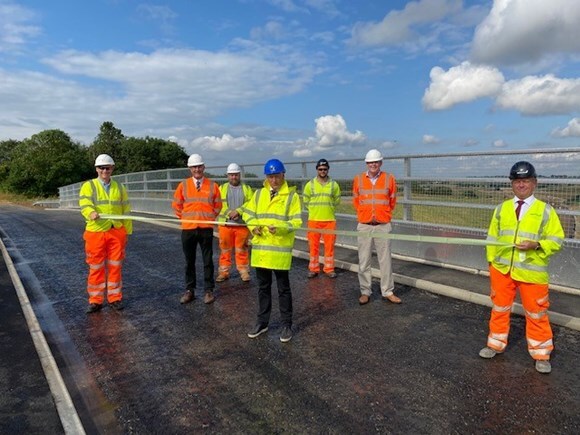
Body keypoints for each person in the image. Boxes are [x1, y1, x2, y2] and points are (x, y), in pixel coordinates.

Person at [479, 161, 564, 374]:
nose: (521, 185)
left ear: (534, 183)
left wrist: (537, 245)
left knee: (536, 313)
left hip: (531, 271)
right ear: (512, 184)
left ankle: (541, 353)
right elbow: (492, 237)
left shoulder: (545, 211)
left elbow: (556, 240)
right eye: (517, 181)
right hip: (502, 269)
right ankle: (495, 344)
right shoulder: (502, 209)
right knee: (499, 309)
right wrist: (492, 264)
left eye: (525, 181)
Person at [242, 158, 302, 342]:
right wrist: (253, 227)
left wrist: (281, 227)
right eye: (270, 177)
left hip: (279, 251)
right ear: (266, 177)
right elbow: (248, 213)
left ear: (283, 175)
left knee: (283, 289)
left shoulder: (292, 197)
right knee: (263, 288)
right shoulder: (259, 194)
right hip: (261, 251)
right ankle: (262, 322)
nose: (274, 180)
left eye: (277, 176)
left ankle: (286, 325)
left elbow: (296, 221)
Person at [79, 154, 132, 313]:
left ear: (112, 169)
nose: (104, 170)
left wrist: (126, 232)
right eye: (102, 168)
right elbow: (84, 204)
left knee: (115, 266)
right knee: (96, 267)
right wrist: (91, 213)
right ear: (96, 169)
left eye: (107, 168)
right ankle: (95, 300)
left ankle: (114, 298)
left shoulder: (120, 187)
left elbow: (126, 210)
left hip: (116, 231)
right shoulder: (89, 186)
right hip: (96, 232)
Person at [352, 149, 401, 305]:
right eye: (370, 162)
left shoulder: (389, 179)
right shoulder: (358, 179)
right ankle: (365, 291)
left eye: (376, 162)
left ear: (380, 163)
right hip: (365, 225)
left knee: (385, 260)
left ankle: (387, 291)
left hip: (382, 225)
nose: (373, 164)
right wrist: (365, 213)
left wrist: (383, 214)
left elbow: (392, 200)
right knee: (364, 260)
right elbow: (356, 200)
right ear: (367, 163)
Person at [173, 154, 222, 305]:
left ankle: (208, 290)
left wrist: (209, 218)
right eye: (194, 167)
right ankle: (190, 290)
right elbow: (176, 205)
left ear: (203, 167)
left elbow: (218, 205)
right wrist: (185, 219)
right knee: (189, 261)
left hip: (205, 228)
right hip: (188, 229)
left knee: (208, 261)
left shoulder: (213, 186)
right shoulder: (183, 185)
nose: (197, 169)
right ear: (190, 168)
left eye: (199, 166)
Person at [302, 158, 341, 278]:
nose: (322, 171)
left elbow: (337, 200)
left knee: (329, 247)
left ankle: (329, 269)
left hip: (329, 220)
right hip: (314, 220)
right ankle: (313, 268)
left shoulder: (334, 185)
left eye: (325, 169)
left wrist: (328, 209)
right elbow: (305, 201)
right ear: (317, 170)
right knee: (313, 246)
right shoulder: (310, 185)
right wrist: (315, 211)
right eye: (320, 169)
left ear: (328, 169)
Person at [216, 163, 254, 283]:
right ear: (228, 175)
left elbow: (251, 204)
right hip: (226, 224)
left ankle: (244, 272)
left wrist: (238, 211)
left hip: (241, 224)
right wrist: (229, 213)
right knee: (225, 250)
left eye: (236, 175)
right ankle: (223, 272)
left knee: (242, 249)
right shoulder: (221, 188)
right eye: (231, 175)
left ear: (239, 175)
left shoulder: (247, 189)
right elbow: (218, 204)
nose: (234, 177)